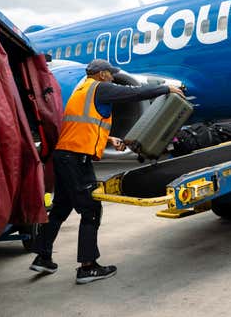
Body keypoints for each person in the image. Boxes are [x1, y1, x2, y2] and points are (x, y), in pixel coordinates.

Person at [30, 59, 184, 284]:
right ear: (101, 74)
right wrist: (165, 88)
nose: (112, 77)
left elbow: (82, 125)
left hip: (64, 156)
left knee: (61, 208)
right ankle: (87, 266)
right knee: (91, 209)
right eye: (110, 74)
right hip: (76, 159)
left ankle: (42, 256)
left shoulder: (82, 90)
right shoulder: (100, 88)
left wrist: (109, 139)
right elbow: (134, 93)